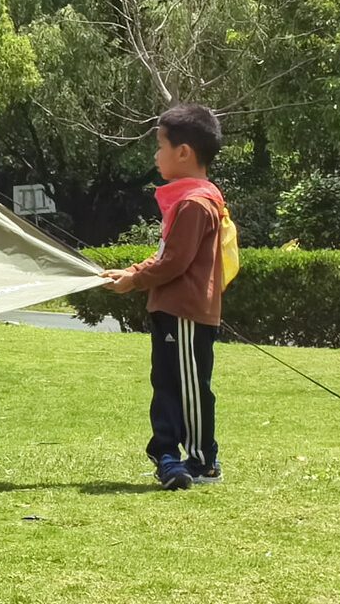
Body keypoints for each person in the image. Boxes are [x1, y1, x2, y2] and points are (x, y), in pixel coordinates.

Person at [103, 104, 234, 491]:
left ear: (184, 152)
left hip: (187, 313)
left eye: (159, 146)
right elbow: (165, 255)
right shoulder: (187, 200)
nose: (155, 155)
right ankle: (167, 456)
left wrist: (134, 281)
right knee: (166, 383)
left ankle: (200, 460)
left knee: (189, 387)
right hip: (170, 310)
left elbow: (175, 262)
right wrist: (132, 272)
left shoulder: (196, 202)